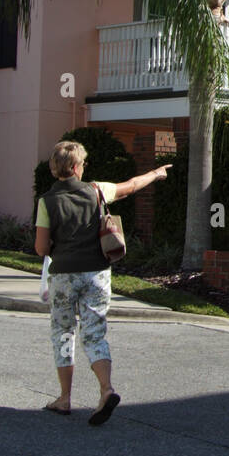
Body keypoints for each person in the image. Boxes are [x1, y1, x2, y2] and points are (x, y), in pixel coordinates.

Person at [35, 140, 170, 426]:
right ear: (75, 167)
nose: (84, 168)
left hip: (63, 275)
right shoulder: (97, 190)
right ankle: (106, 389)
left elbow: (40, 247)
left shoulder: (46, 201)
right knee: (94, 333)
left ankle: (64, 398)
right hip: (97, 273)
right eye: (82, 164)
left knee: (63, 332)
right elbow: (131, 185)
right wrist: (156, 174)